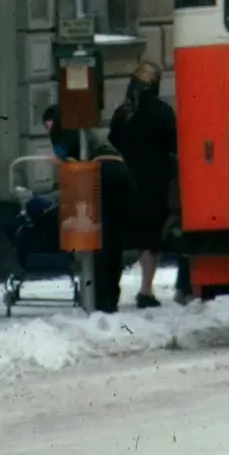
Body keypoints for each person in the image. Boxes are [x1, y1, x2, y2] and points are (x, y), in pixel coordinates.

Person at [44, 105, 134, 314]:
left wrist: (58, 159)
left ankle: (101, 300)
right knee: (113, 241)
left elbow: (63, 154)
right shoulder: (83, 128)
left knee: (100, 240)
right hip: (120, 173)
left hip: (102, 174)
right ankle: (109, 298)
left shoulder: (64, 122)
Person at [108, 61, 179, 309]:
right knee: (151, 238)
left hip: (125, 180)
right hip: (154, 182)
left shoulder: (123, 113)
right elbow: (174, 144)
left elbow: (113, 141)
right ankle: (146, 289)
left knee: (121, 237)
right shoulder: (162, 111)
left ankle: (112, 289)